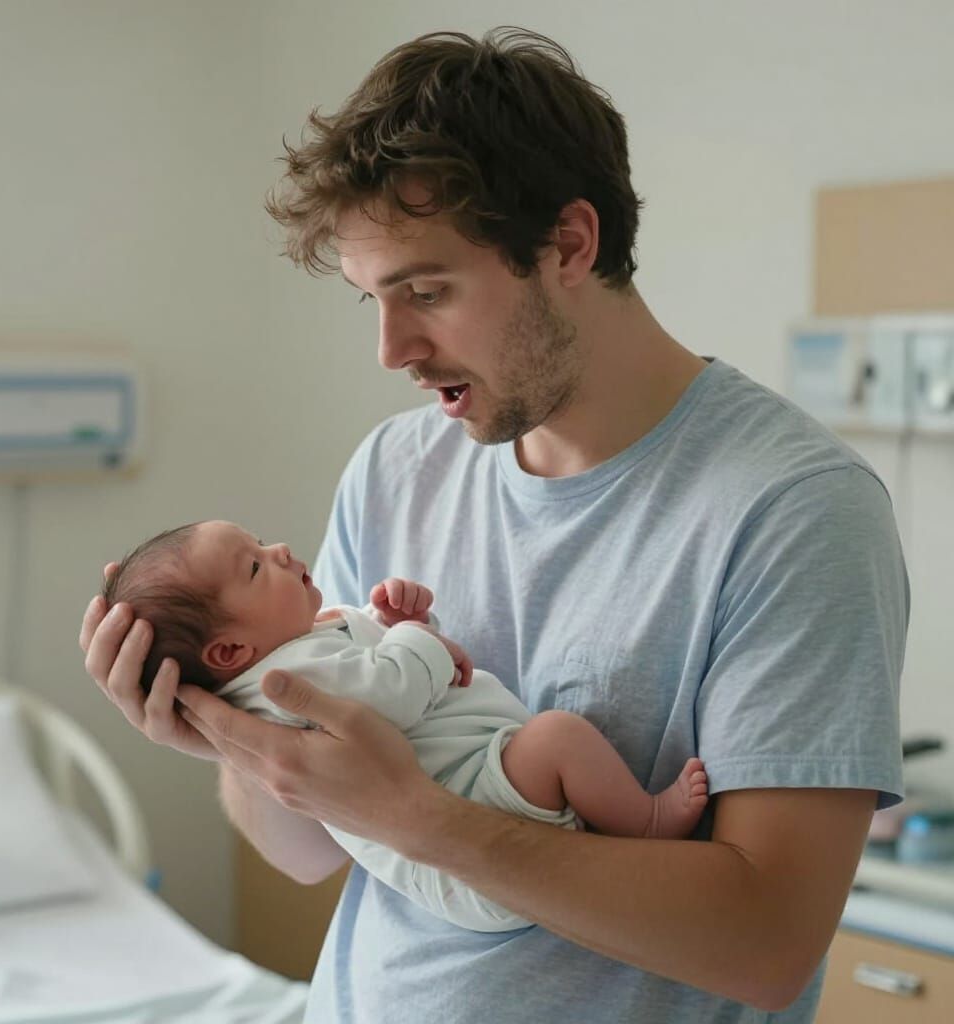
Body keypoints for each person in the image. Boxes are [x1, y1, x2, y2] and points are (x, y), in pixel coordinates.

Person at [81, 26, 908, 1023]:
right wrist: (217, 730)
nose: (391, 349)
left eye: (425, 291)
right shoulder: (395, 469)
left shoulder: (792, 510)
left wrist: (423, 819)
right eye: (370, 300)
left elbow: (765, 947)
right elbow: (306, 851)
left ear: (570, 245)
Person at [103, 518, 709, 931]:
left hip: (480, 824)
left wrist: (390, 621)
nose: (280, 550)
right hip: (479, 826)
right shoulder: (284, 680)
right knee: (558, 738)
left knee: (551, 744)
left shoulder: (300, 647)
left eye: (260, 543)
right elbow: (394, 693)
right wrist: (416, 635)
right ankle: (646, 822)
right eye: (256, 568)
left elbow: (383, 669)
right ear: (231, 652)